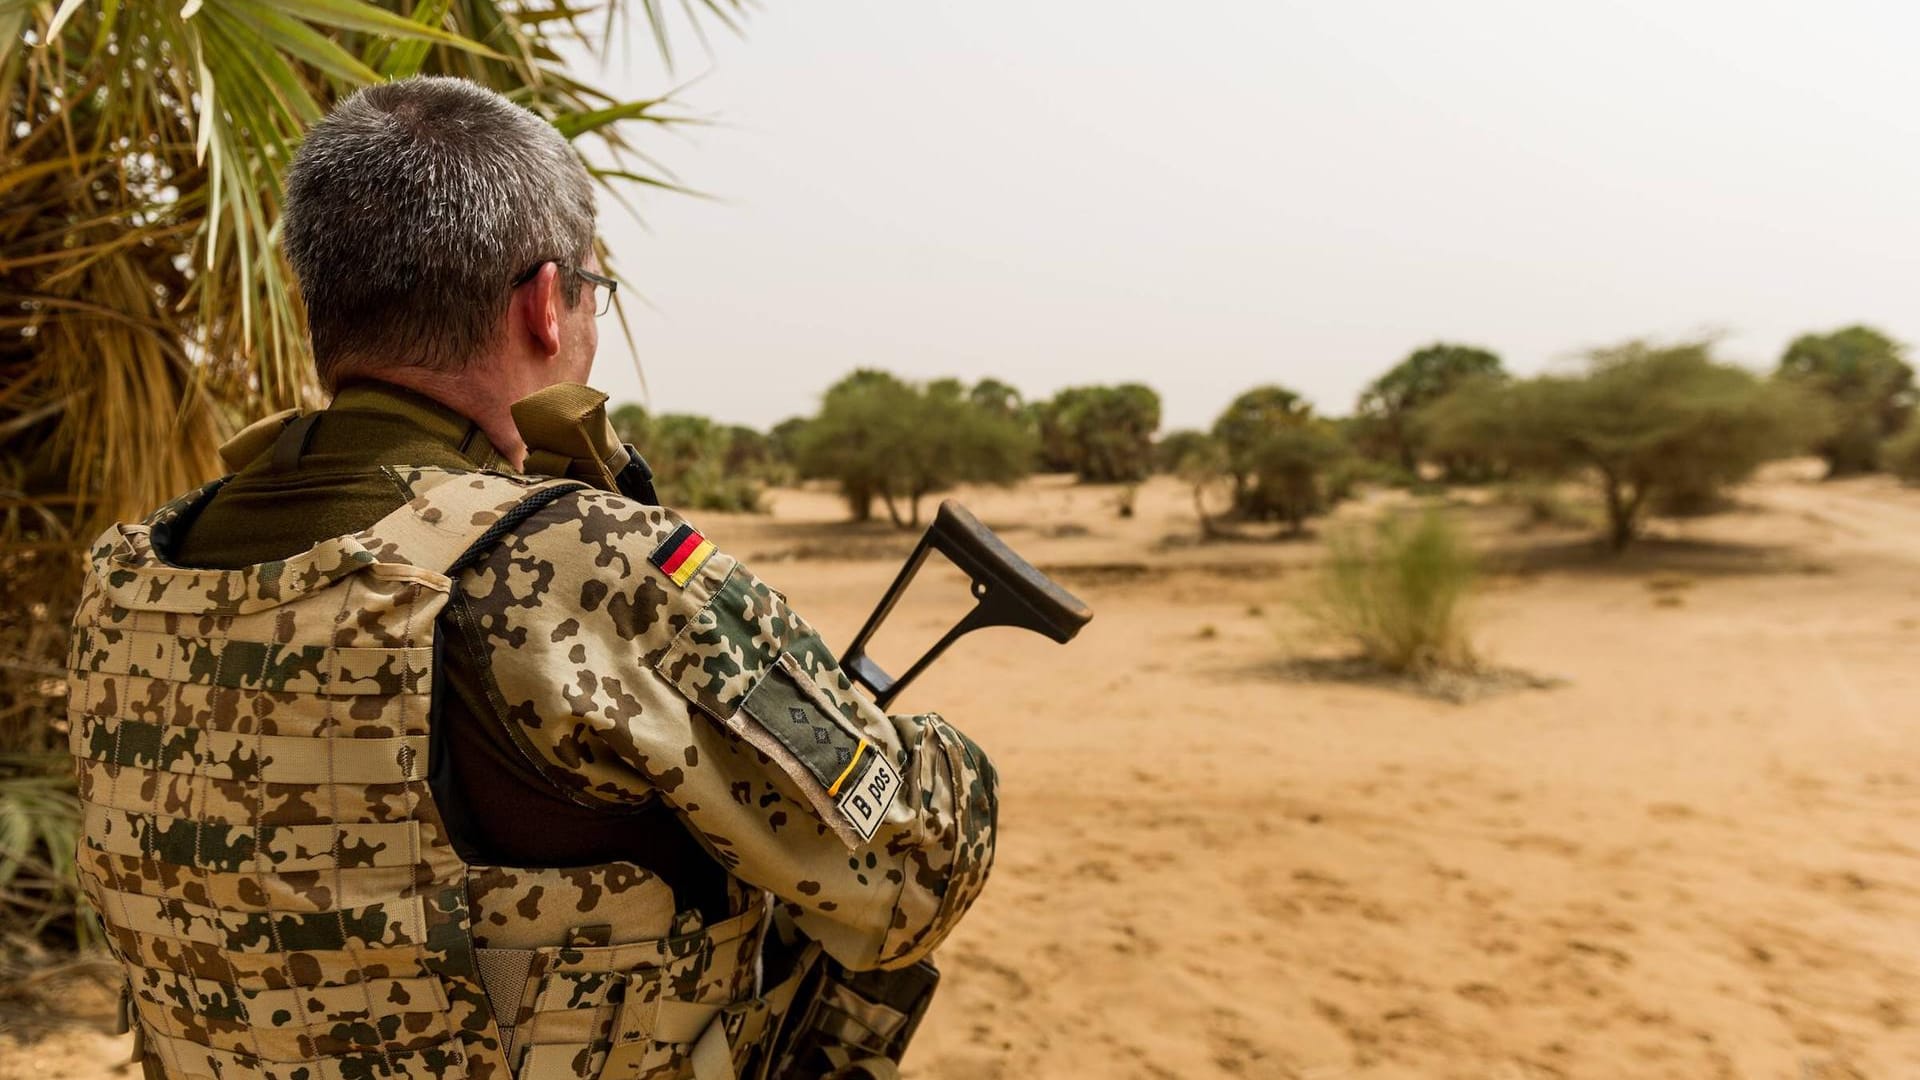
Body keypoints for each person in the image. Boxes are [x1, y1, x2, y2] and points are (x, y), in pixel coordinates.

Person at [68, 76, 997, 1080]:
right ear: (546, 305)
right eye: (593, 292)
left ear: (319, 309)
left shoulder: (130, 575)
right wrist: (937, 759)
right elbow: (915, 872)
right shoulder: (578, 564)